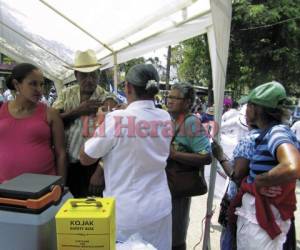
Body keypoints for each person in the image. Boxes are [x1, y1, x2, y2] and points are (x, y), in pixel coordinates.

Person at [80, 64, 173, 250]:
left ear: (128, 88)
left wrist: (100, 122)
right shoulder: (164, 116)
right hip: (160, 207)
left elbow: (85, 157)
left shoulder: (117, 119)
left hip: (128, 212)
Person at [230, 81, 300, 250]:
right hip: (258, 219)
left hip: (263, 222)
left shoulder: (277, 132)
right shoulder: (269, 133)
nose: (246, 109)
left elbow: (293, 166)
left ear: (255, 108)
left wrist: (262, 180)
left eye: (248, 105)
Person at [52, 49, 107, 197]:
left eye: (93, 74)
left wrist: (99, 172)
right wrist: (77, 111)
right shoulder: (66, 94)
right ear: (76, 75)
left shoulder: (107, 98)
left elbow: (112, 141)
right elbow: (52, 121)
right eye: (84, 75)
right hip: (67, 164)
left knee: (91, 211)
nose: (89, 79)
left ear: (99, 75)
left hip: (92, 166)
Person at [0, 63, 66, 183]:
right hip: (4, 189)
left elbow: (61, 153)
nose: (39, 90)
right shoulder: (1, 111)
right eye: (33, 84)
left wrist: (61, 186)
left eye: (41, 84)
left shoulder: (51, 114)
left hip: (43, 190)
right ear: (16, 84)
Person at [167, 83, 212, 250]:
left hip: (179, 188)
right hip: (168, 186)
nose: (170, 101)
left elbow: (206, 156)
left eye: (175, 98)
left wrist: (175, 155)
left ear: (187, 103)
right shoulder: (170, 119)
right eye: (169, 96)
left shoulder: (191, 122)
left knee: (176, 235)